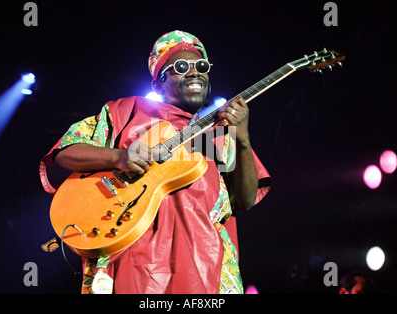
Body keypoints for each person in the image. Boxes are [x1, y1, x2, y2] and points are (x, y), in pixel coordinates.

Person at [39, 30, 271, 294]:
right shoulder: (128, 111)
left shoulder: (217, 135)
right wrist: (120, 157)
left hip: (205, 267)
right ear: (158, 84)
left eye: (201, 66)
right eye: (181, 67)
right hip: (130, 257)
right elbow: (65, 153)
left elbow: (245, 200)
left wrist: (242, 139)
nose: (194, 72)